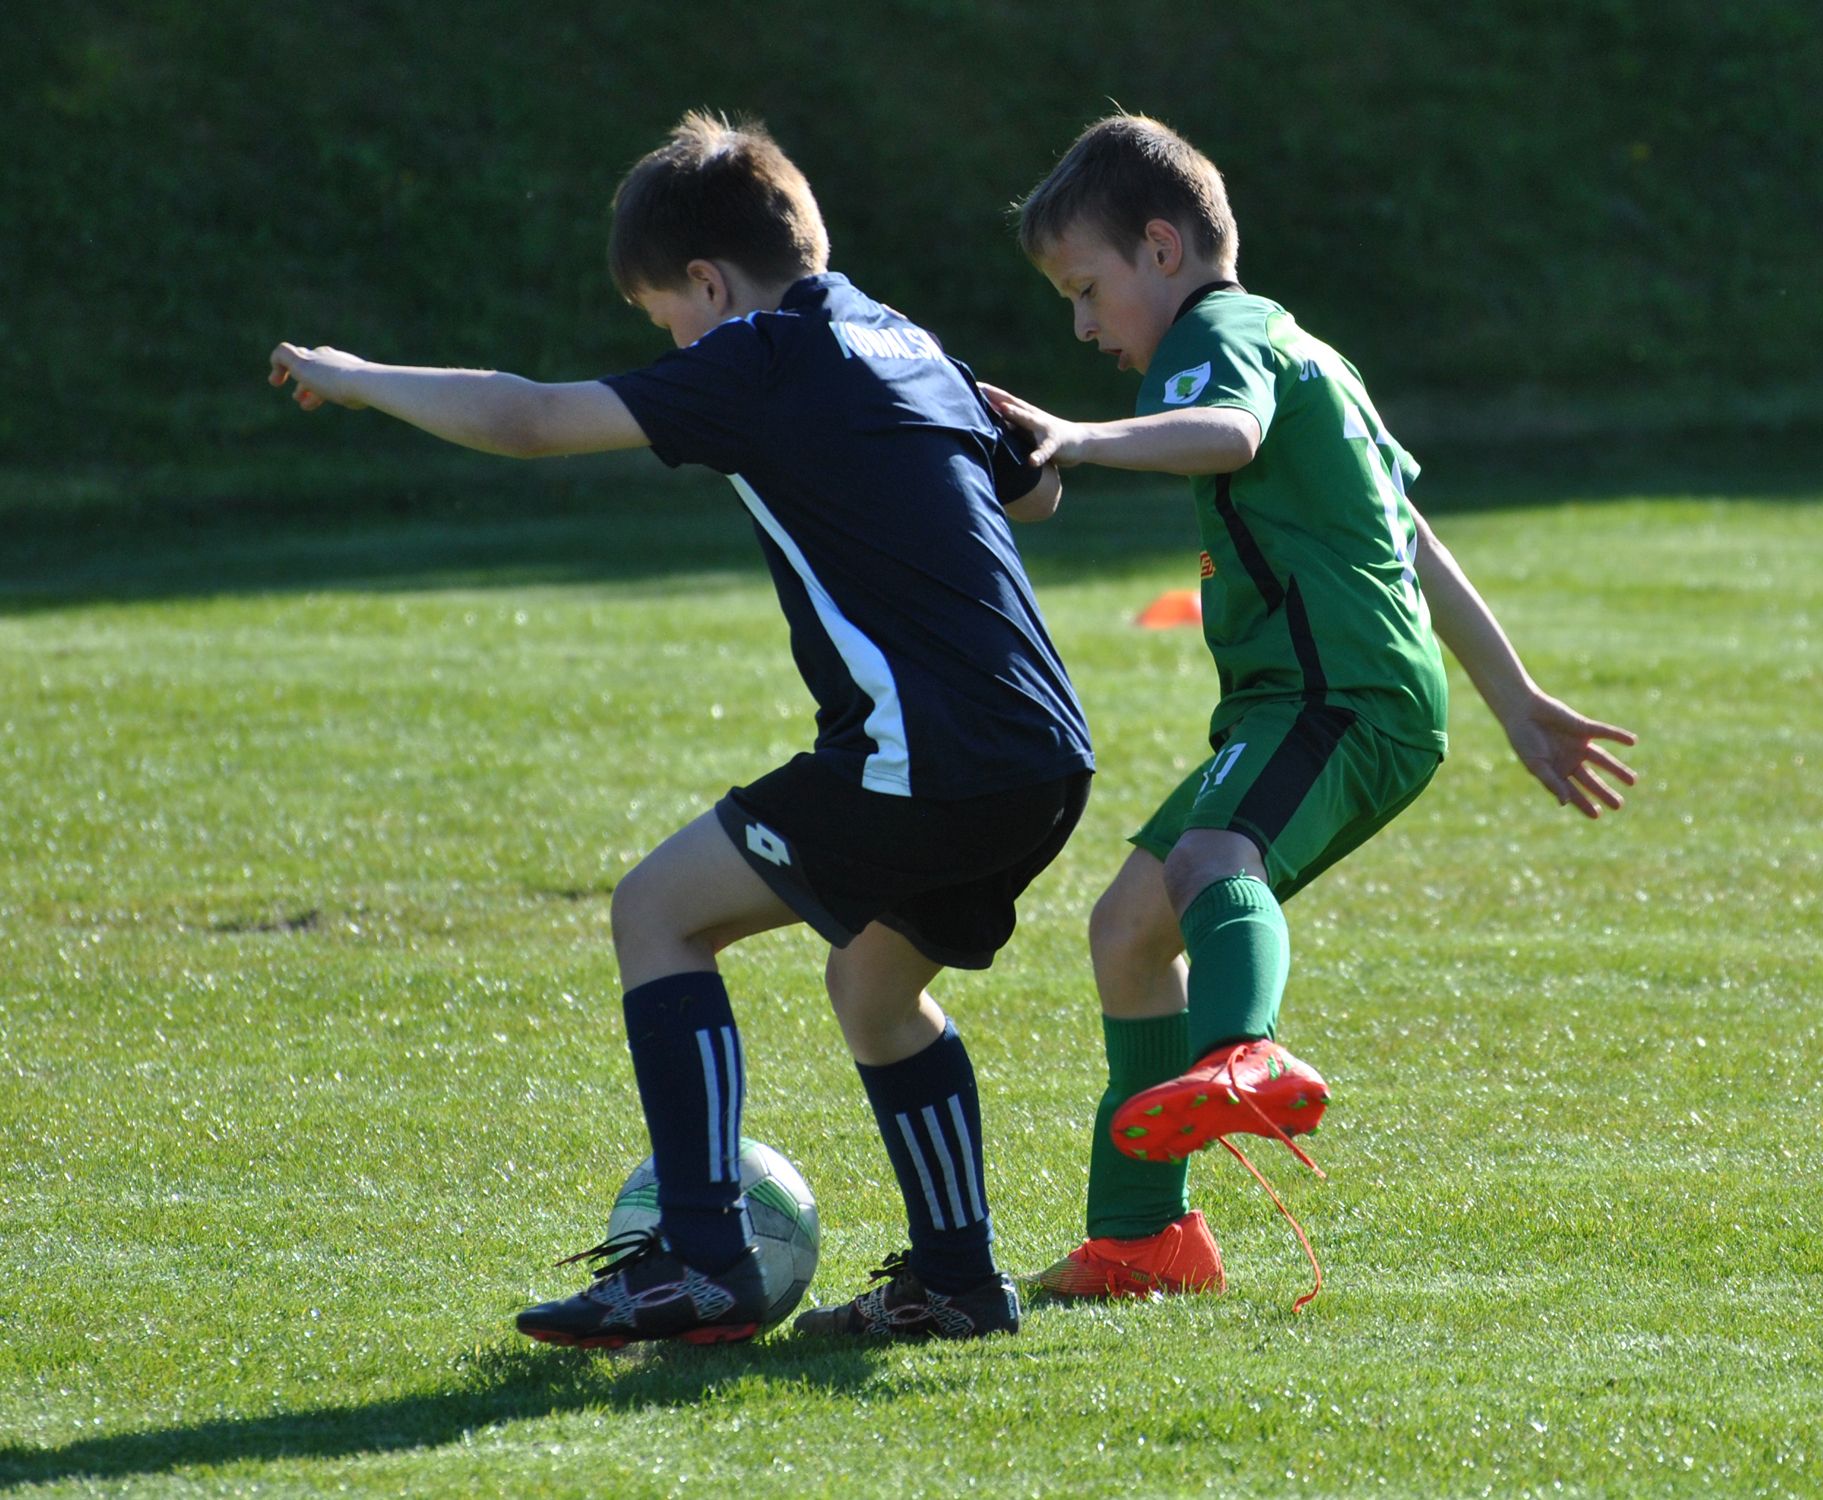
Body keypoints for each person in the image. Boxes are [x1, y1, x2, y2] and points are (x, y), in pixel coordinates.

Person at [267, 112, 1092, 1345]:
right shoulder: (901, 336)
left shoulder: (757, 351)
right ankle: (960, 1285)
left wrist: (353, 374)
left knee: (658, 911)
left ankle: (700, 1258)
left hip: (925, 755)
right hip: (1043, 753)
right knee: (875, 990)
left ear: (708, 283)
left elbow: (531, 421)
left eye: (665, 320)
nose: (673, 348)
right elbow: (1040, 490)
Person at [981, 114, 1637, 1305]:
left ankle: (1247, 1050)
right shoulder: (1307, 349)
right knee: (1127, 930)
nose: (1081, 326)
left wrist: (1075, 438)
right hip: (1325, 696)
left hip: (1334, 693)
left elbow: (1226, 434)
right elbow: (1410, 537)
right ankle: (1142, 1240)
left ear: (1162, 250)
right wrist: (1516, 699)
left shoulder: (1217, 335)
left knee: (1210, 862)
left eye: (1086, 290)